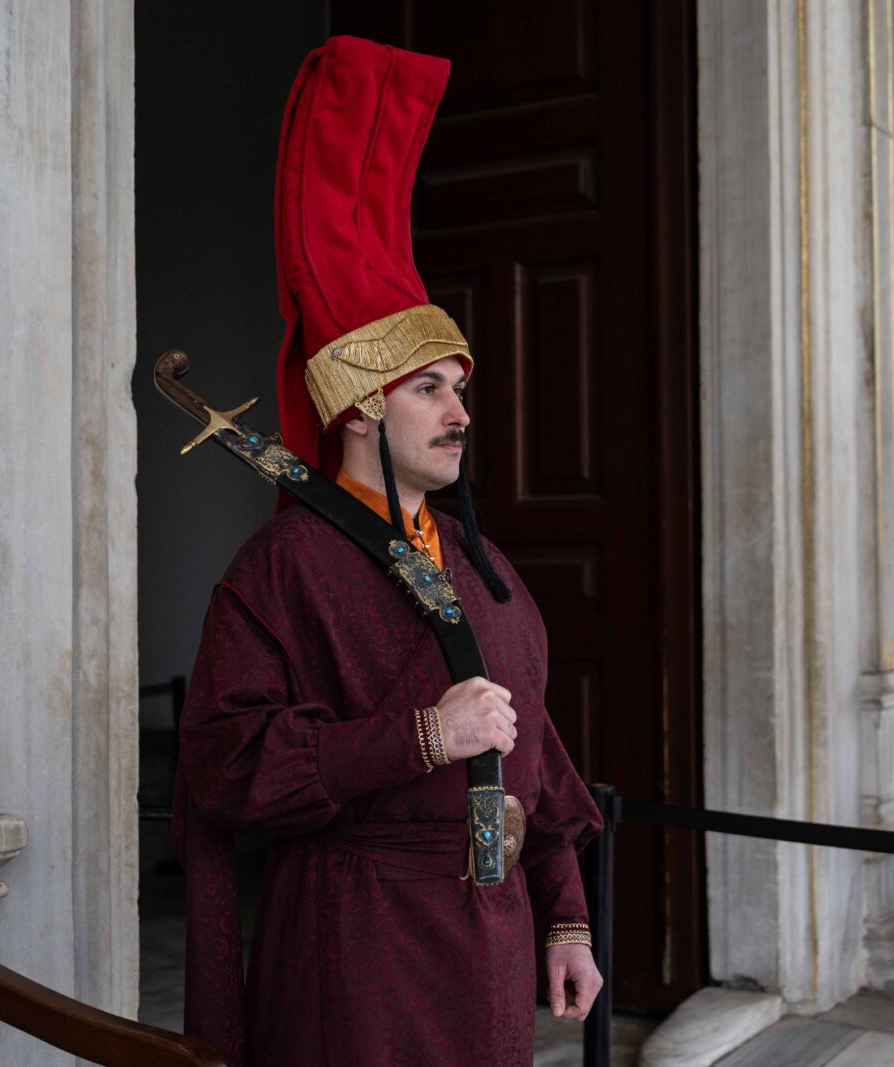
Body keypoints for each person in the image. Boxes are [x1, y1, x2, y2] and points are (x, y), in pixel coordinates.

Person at [172, 37, 603, 1066]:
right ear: (362, 403)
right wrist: (416, 736)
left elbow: (534, 751)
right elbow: (225, 767)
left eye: (460, 388)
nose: (463, 411)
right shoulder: (282, 568)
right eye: (433, 388)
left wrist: (566, 915)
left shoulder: (480, 566)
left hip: (489, 946)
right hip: (351, 945)